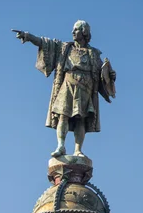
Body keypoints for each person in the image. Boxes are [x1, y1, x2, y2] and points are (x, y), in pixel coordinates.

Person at [13, 20, 116, 157]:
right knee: (63, 115)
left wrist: (110, 75)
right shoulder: (64, 48)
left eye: (76, 29)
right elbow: (45, 43)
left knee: (81, 119)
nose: (73, 32)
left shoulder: (93, 54)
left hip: (85, 87)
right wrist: (29, 36)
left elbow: (102, 75)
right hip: (67, 84)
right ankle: (61, 146)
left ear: (84, 32)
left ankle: (78, 150)